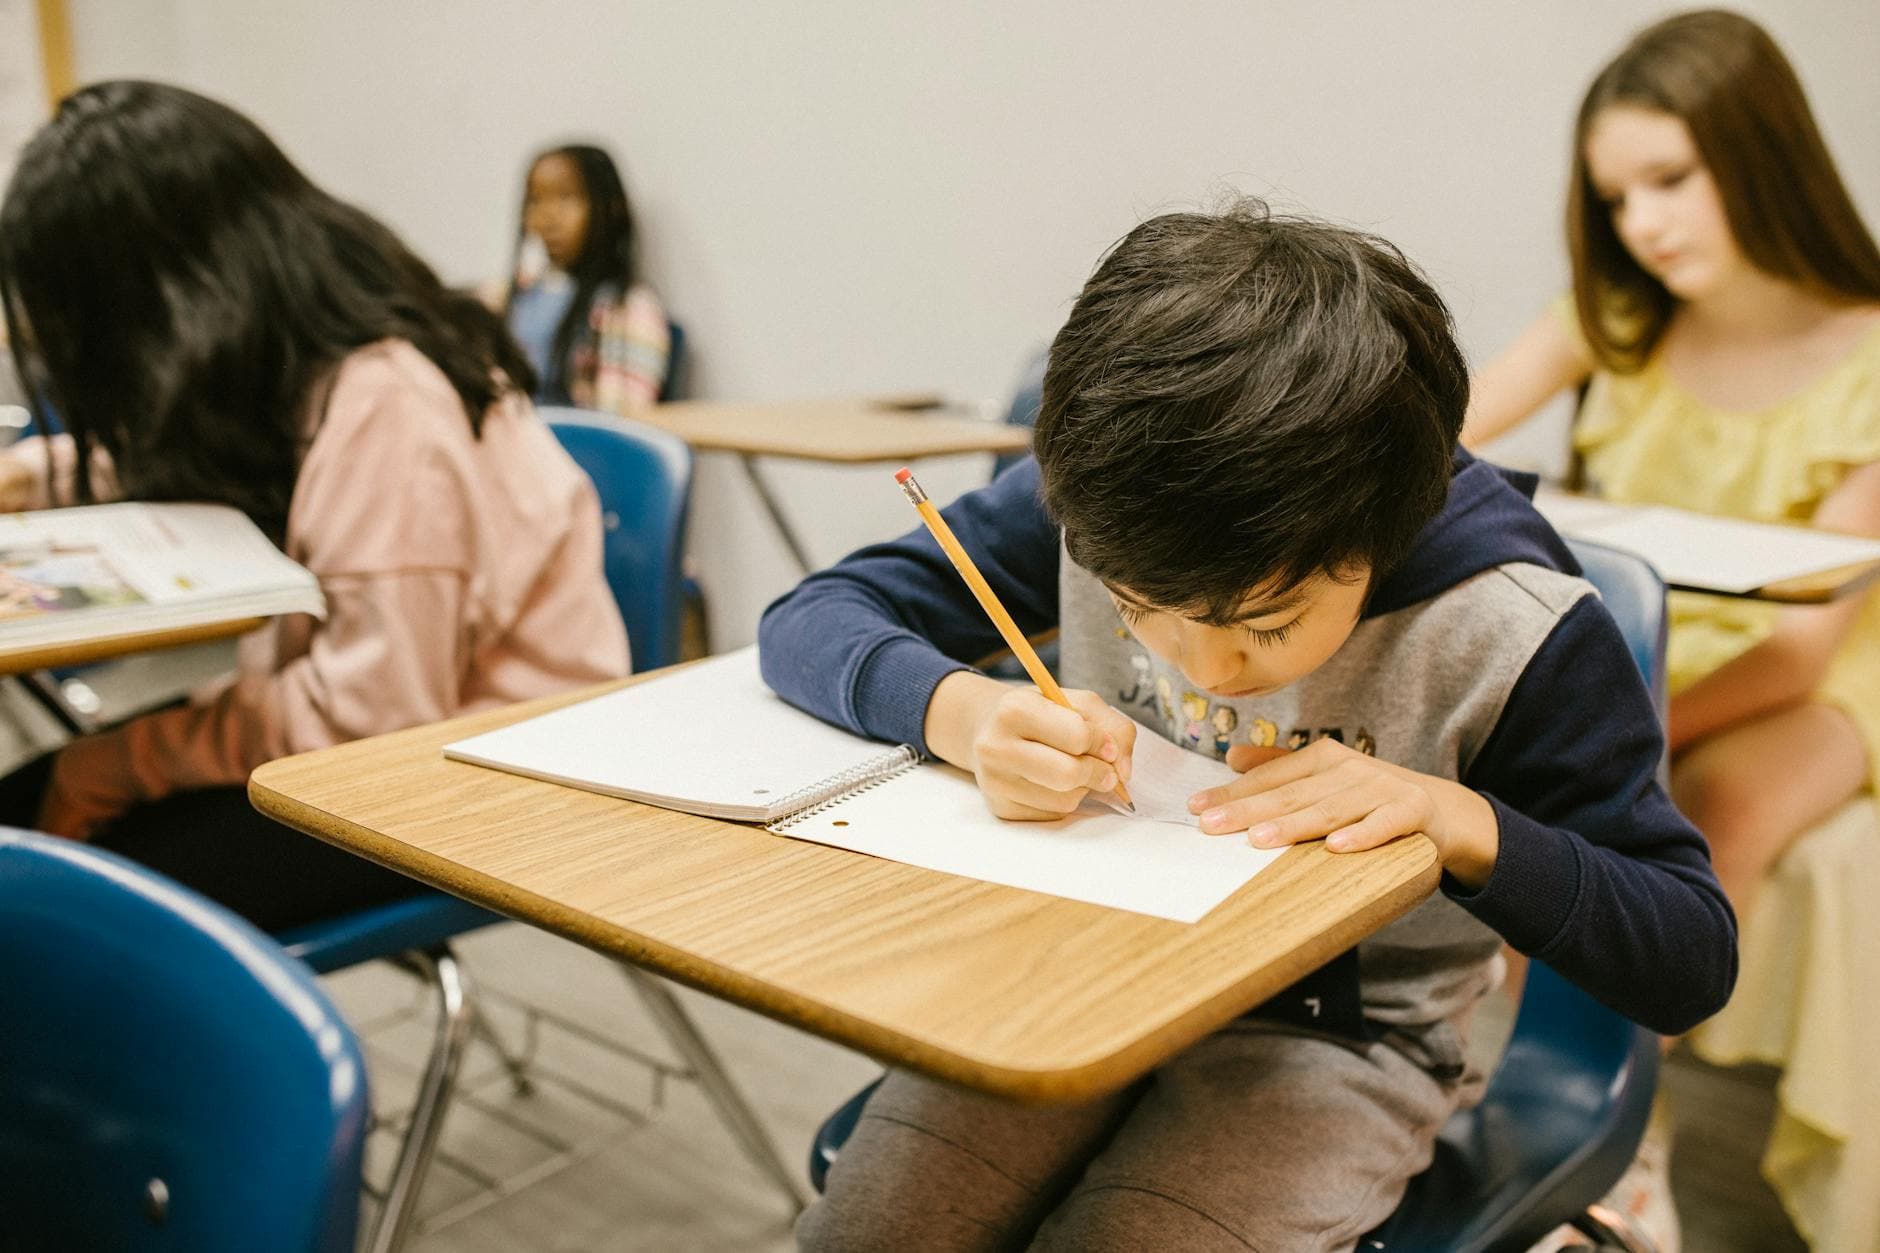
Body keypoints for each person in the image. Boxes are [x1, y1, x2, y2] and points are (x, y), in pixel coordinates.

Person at [759, 200, 1735, 1251]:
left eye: (1261, 625)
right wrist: (965, 708)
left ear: (1385, 529)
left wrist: (1456, 820)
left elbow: (1686, 952)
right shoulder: (1114, 506)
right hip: (1089, 969)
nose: (1205, 666)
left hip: (1339, 1041)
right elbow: (810, 619)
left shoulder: (1510, 623)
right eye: (1137, 608)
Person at [0, 81, 630, 931]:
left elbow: (370, 720)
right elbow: (195, 449)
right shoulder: (299, 355)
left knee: (51, 902)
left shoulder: (385, 403)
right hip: (392, 731)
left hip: (472, 779)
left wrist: (116, 764)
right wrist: (28, 477)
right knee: (31, 819)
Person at [1463, 8, 1880, 926]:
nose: (1643, 224)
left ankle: (1626, 1056)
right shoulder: (1614, 317)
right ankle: (1523, 1055)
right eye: (1617, 199)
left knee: (1722, 802)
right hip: (1642, 647)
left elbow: (1802, 657)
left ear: (1762, 153)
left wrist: (1622, 731)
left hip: (1825, 674)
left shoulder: (1870, 362)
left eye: (1670, 180)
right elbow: (1449, 423)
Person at [499, 144, 670, 414]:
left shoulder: (629, 309)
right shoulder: (515, 296)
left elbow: (619, 425)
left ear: (612, 207)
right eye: (535, 200)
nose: (548, 217)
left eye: (566, 198)